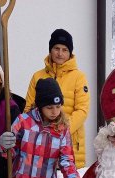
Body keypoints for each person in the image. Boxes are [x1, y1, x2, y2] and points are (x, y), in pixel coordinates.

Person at [24, 29, 90, 168]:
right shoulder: (37, 76)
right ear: (50, 50)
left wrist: (60, 131)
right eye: (56, 48)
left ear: (70, 53)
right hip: (41, 142)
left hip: (70, 141)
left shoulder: (79, 77)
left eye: (65, 49)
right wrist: (41, 132)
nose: (60, 53)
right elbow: (28, 109)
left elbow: (82, 110)